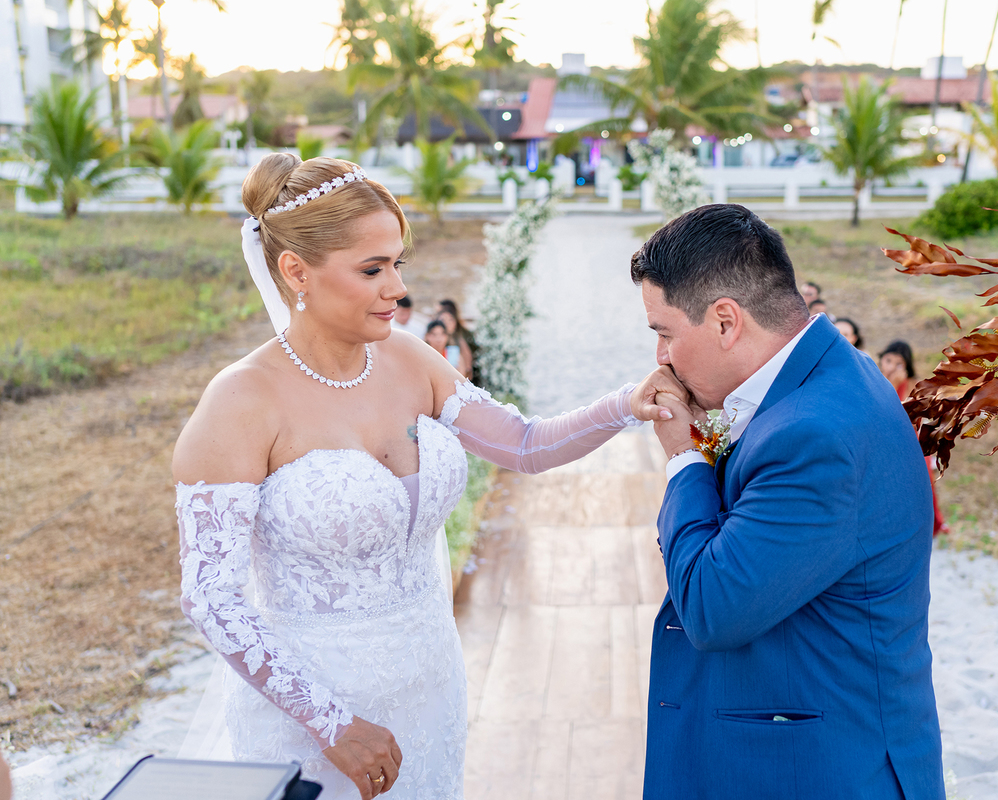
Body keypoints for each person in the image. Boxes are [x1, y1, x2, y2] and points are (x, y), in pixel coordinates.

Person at [172, 154, 684, 800]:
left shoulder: (410, 360)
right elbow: (211, 597)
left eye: (398, 263)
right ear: (296, 271)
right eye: (372, 269)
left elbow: (524, 445)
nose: (397, 288)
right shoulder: (240, 402)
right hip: (311, 719)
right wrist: (331, 723)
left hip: (429, 687)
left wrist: (627, 404)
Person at [633, 204, 944, 799]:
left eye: (665, 333)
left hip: (816, 771)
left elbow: (712, 606)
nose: (661, 358)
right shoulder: (827, 374)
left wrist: (683, 456)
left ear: (726, 321)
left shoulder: (815, 436)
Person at [878, 339, 948, 536]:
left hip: (909, 440)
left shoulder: (911, 384)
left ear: (906, 366)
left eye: (898, 363)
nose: (891, 367)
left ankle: (932, 522)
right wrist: (890, 384)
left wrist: (896, 385)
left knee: (923, 480)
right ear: (881, 359)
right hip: (882, 440)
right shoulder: (874, 378)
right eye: (888, 360)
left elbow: (906, 415)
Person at [435, 300, 474, 381]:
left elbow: (467, 367)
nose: (447, 323)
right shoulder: (434, 340)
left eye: (450, 320)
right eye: (443, 320)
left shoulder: (460, 340)